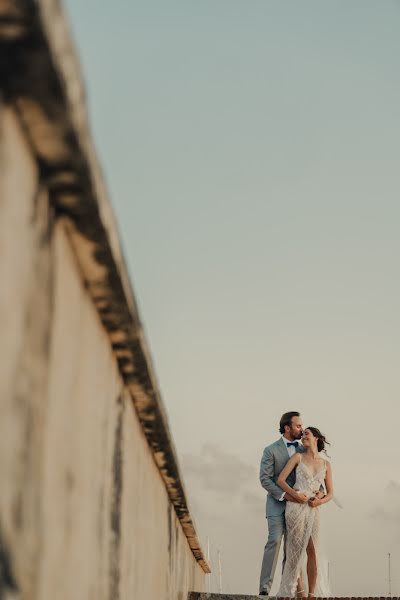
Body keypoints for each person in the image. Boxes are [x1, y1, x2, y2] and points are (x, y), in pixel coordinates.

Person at [276, 427, 333, 598]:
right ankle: (299, 590)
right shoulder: (297, 457)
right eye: (303, 434)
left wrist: (319, 501)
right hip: (296, 507)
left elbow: (330, 493)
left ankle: (312, 593)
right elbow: (281, 480)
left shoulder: (325, 464)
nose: (303, 436)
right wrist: (296, 495)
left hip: (314, 508)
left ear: (316, 438)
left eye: (307, 433)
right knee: (296, 548)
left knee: (313, 550)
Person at [258, 411, 308, 596]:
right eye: (298, 426)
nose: (301, 429)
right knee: (275, 540)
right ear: (287, 428)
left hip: (300, 508)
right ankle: (264, 588)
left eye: (302, 426)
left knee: (293, 547)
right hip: (277, 504)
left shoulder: (305, 449)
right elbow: (265, 479)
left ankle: (288, 590)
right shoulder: (270, 450)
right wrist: (286, 496)